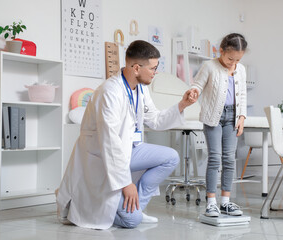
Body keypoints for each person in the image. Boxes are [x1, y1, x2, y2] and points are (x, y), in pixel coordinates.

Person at [56, 40, 197, 229]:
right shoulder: (109, 92)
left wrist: (183, 105)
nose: (156, 73)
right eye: (153, 68)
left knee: (171, 157)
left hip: (128, 150)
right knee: (131, 221)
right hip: (102, 158)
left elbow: (155, 120)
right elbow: (110, 142)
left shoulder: (141, 89)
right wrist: (125, 183)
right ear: (137, 68)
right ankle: (89, 205)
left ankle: (137, 206)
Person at [190, 33, 248, 217]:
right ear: (220, 51)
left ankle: (226, 202)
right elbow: (197, 85)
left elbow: (243, 95)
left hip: (233, 116)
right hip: (213, 116)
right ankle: (211, 202)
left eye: (237, 59)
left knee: (229, 159)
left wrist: (242, 117)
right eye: (230, 58)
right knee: (215, 158)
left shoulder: (241, 69)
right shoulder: (209, 66)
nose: (233, 63)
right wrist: (193, 92)